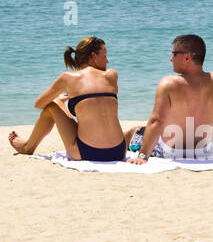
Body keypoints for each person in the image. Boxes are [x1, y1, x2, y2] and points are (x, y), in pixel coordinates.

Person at [130, 34, 213, 163]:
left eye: (174, 54)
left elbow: (156, 121)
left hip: (170, 152)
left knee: (135, 131)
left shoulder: (168, 84)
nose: (171, 59)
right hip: (206, 151)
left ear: (187, 58)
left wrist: (143, 157)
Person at [8, 37, 138, 162]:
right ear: (93, 56)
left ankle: (27, 147)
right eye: (104, 56)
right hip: (118, 152)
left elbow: (39, 104)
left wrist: (61, 99)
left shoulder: (67, 78)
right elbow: (95, 101)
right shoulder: (112, 75)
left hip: (88, 152)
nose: (107, 61)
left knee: (52, 107)